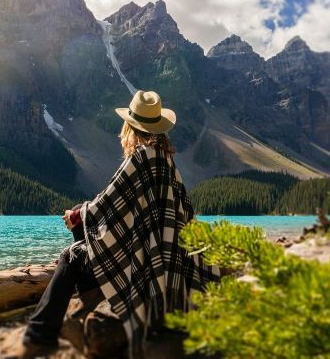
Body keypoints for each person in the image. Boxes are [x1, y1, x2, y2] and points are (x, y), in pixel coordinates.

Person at [16, 90, 220, 358]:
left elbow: (105, 205)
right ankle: (89, 305)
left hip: (144, 268)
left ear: (130, 127)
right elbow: (121, 207)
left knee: (71, 255)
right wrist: (83, 213)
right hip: (166, 269)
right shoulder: (167, 163)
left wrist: (75, 216)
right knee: (84, 228)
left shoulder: (140, 158)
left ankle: (39, 336)